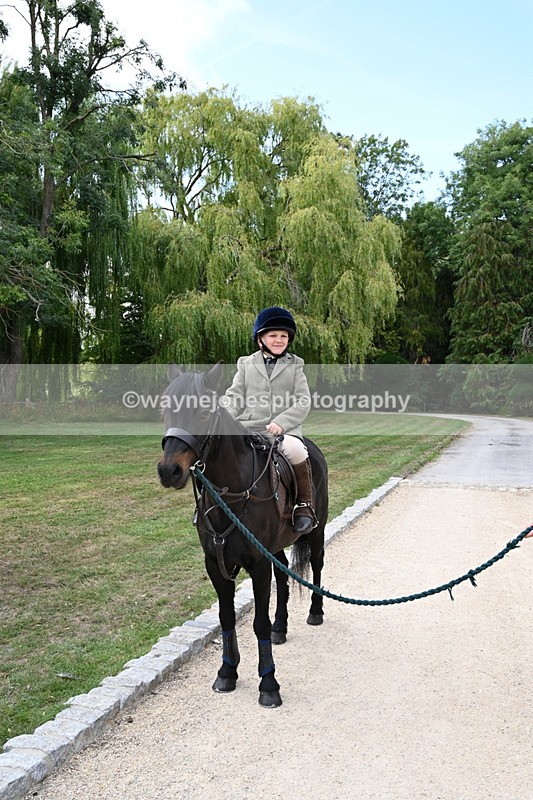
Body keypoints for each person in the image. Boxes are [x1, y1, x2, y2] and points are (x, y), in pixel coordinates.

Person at [222, 306, 317, 535]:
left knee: (296, 450)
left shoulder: (295, 365)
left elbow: (303, 401)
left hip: (284, 430)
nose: (279, 340)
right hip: (250, 426)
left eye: (283, 336)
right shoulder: (246, 364)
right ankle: (212, 505)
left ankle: (304, 505)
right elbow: (235, 396)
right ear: (260, 339)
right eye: (273, 335)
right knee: (217, 450)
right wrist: (223, 414)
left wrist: (282, 422)